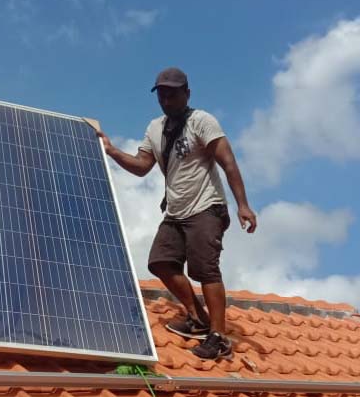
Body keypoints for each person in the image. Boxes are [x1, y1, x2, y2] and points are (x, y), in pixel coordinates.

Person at [97, 67, 257, 360]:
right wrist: (112, 150)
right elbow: (142, 166)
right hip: (175, 211)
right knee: (160, 262)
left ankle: (218, 337)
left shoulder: (202, 121)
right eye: (162, 94)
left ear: (187, 93)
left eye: (172, 93)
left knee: (204, 269)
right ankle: (198, 317)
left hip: (206, 207)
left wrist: (243, 205)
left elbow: (228, 162)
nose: (167, 99)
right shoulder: (154, 128)